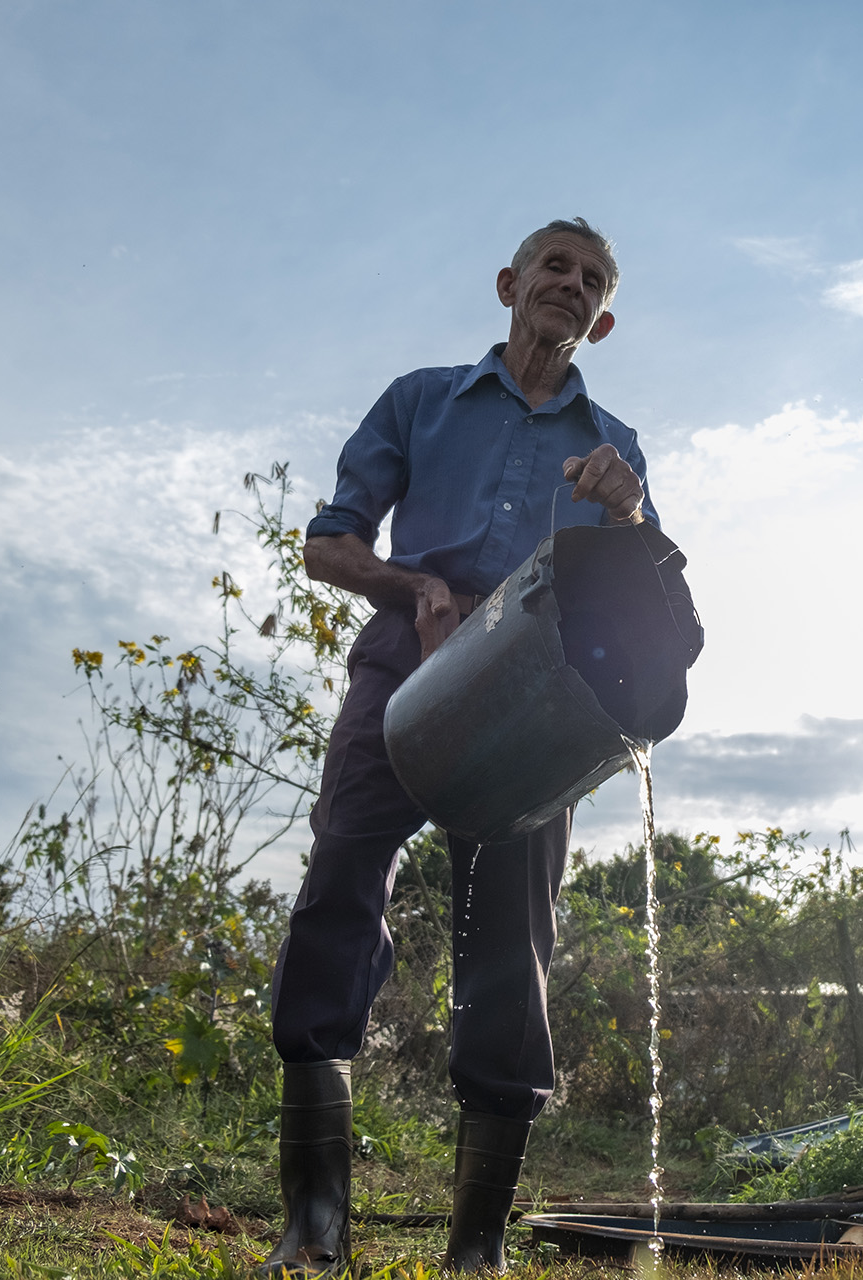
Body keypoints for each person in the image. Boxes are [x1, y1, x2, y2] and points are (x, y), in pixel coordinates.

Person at [262, 217, 657, 1278]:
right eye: (553, 268)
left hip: (535, 698)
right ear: (508, 285)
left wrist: (625, 515)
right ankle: (313, 1224)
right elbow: (326, 541)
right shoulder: (420, 400)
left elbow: (641, 594)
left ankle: (475, 1245)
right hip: (404, 669)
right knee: (341, 879)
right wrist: (415, 586)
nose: (568, 286)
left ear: (603, 318)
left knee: (510, 939)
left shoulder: (614, 441)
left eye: (591, 279)